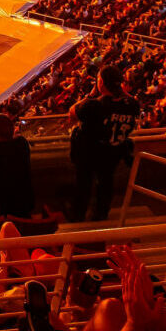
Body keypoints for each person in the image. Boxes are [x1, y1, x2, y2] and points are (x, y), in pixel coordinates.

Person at [68, 65, 139, 223]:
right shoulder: (133, 105)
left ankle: (78, 216)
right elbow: (128, 101)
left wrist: (91, 94)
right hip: (114, 152)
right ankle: (101, 215)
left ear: (101, 83)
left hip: (90, 153)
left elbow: (72, 112)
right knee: (106, 184)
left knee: (84, 185)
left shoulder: (94, 105)